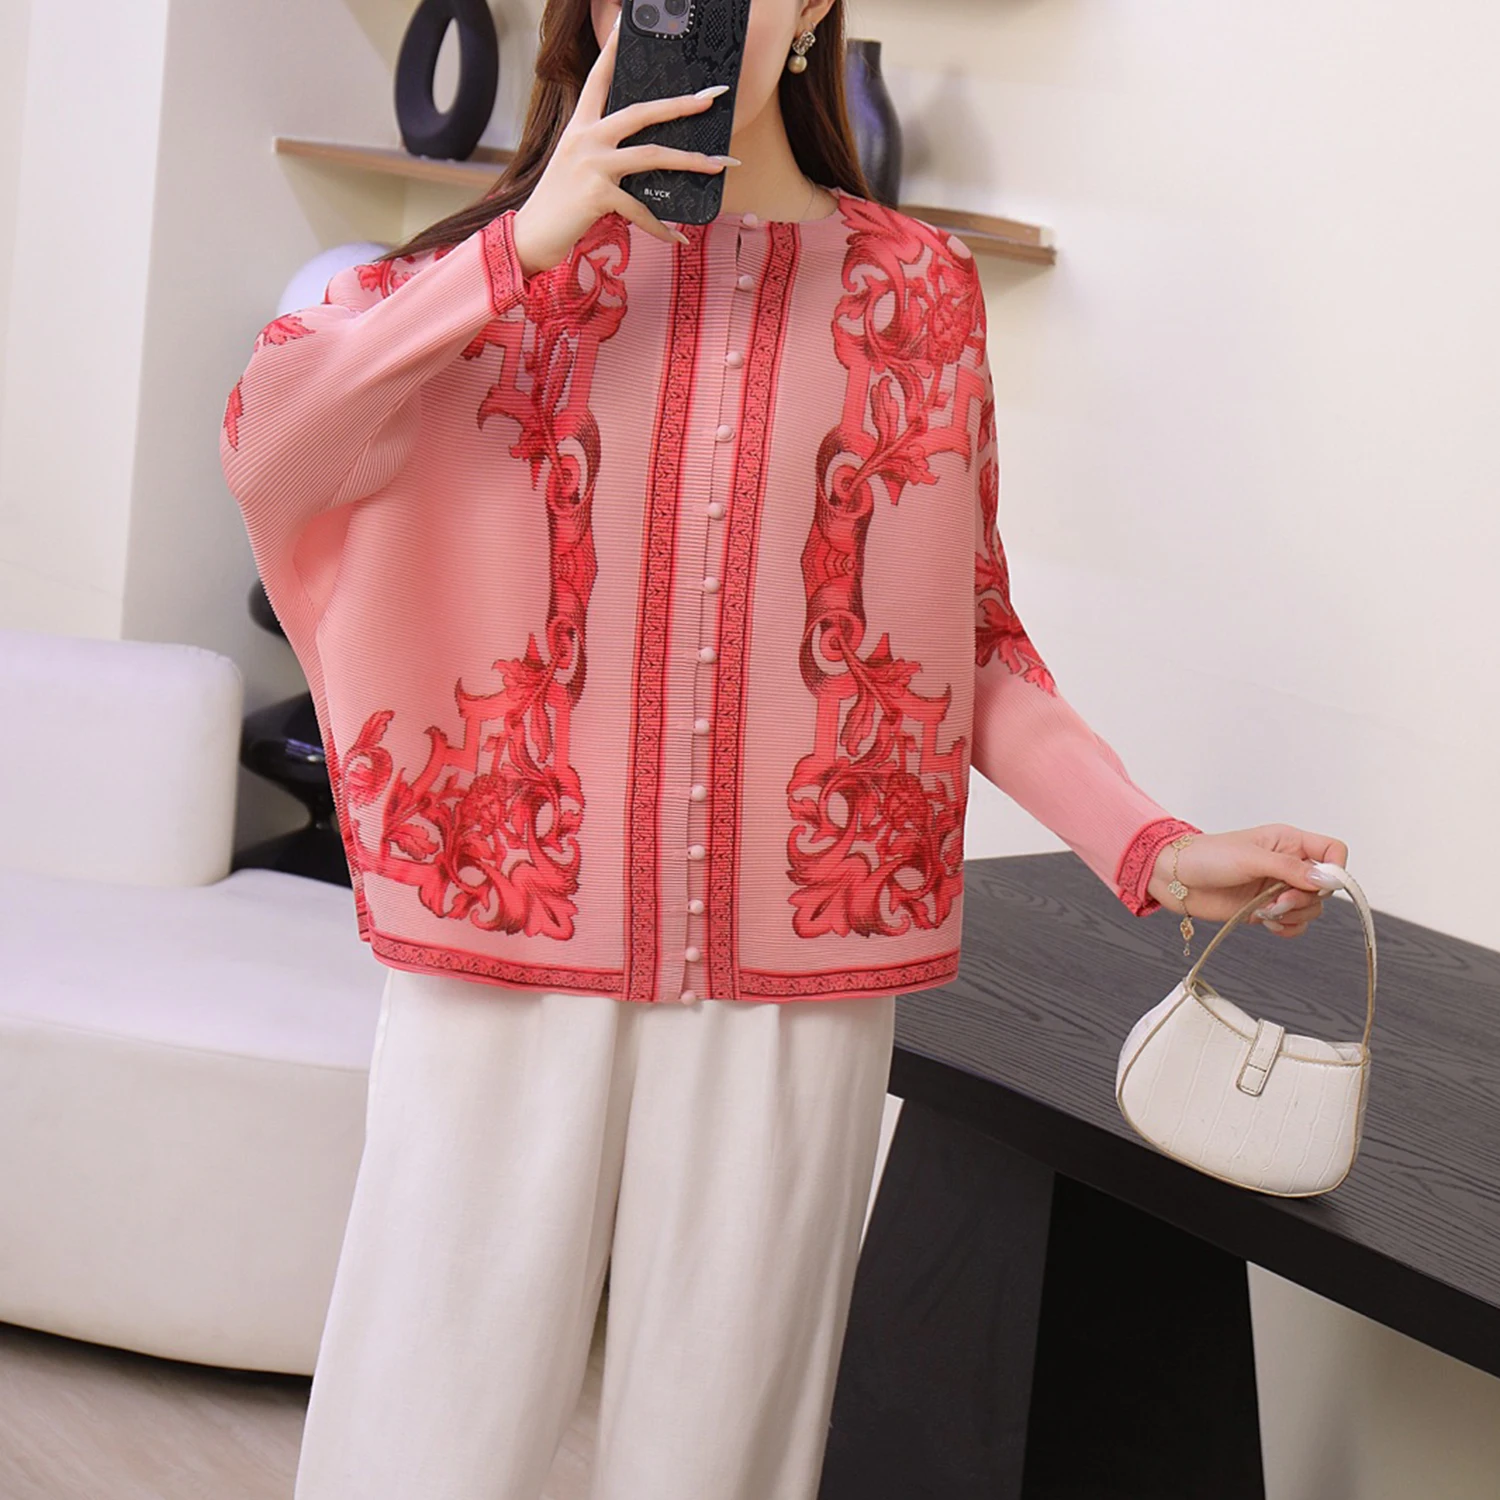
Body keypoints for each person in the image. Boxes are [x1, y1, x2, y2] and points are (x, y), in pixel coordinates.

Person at [218, 0, 1347, 1495]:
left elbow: (964, 640)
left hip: (791, 978)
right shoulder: (484, 278)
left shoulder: (917, 290)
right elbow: (273, 448)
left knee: (720, 1454)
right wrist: (522, 247)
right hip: (509, 938)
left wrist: (1154, 846)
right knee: (417, 1437)